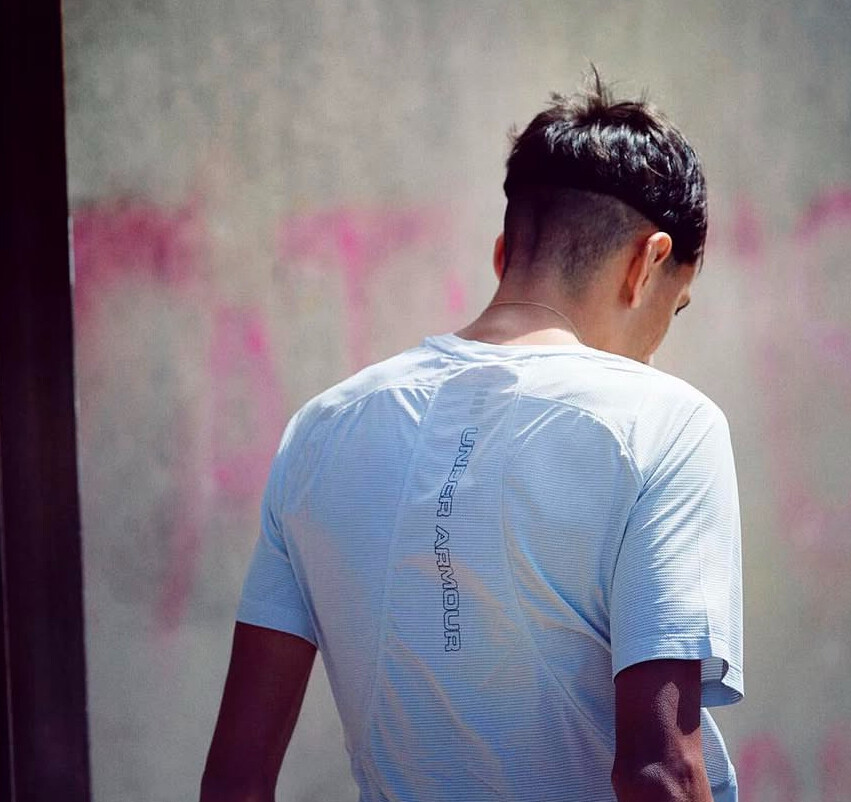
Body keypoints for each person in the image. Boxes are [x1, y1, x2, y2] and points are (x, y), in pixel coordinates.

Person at [201, 73, 744, 802]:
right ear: (647, 264)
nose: (655, 350)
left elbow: (234, 778)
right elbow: (661, 772)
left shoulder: (319, 430)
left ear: (503, 254)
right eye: (675, 310)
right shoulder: (667, 424)